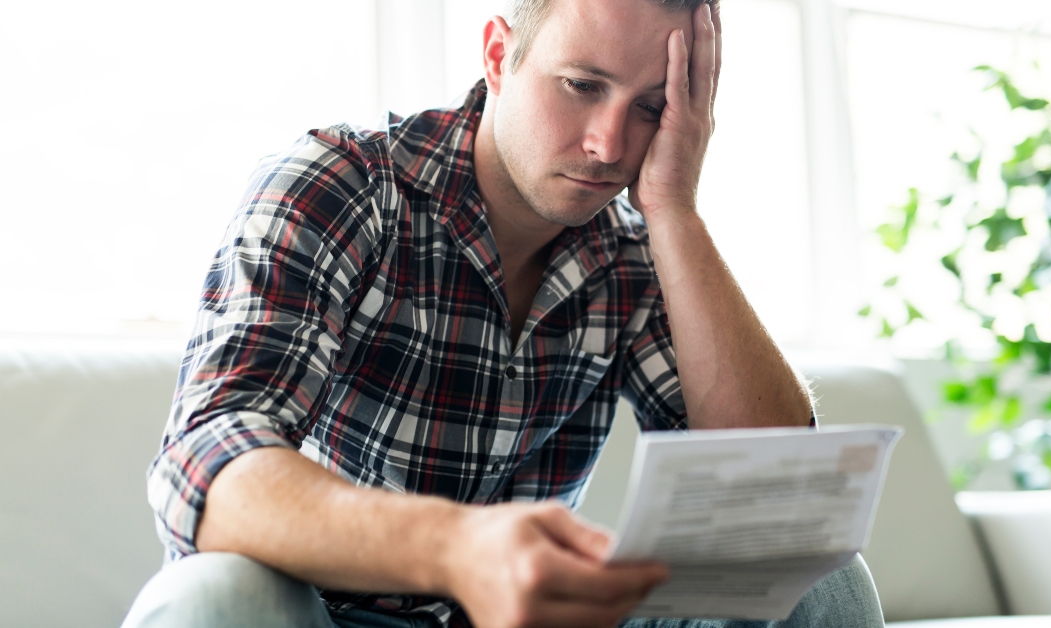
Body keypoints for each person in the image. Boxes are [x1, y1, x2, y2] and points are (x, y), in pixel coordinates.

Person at [122, 0, 886, 626]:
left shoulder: (637, 251)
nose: (607, 144)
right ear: (498, 54)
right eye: (582, 85)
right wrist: (459, 548)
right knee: (216, 599)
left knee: (819, 581)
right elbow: (204, 468)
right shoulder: (344, 184)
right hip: (324, 611)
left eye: (650, 107)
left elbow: (776, 495)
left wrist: (675, 209)